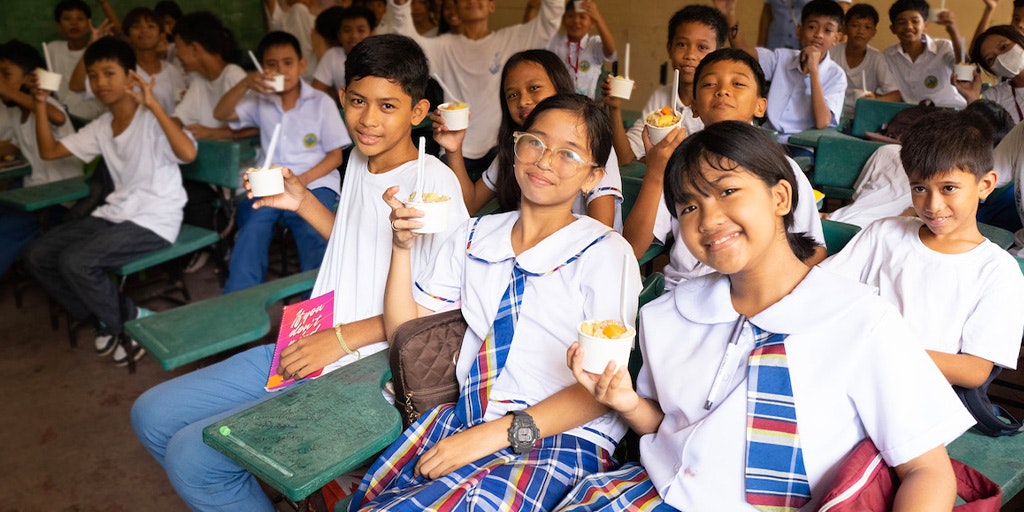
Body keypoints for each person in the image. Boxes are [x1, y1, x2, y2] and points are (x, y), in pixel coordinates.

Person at [556, 120, 975, 511]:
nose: (709, 219)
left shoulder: (860, 320)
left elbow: (927, 471)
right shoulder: (667, 316)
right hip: (654, 495)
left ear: (780, 197)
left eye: (726, 191)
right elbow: (671, 429)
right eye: (687, 207)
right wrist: (625, 402)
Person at [131, 34, 468, 511]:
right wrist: (303, 201)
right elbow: (357, 245)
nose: (368, 119)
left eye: (387, 105)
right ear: (342, 99)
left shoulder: (432, 184)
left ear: (417, 112)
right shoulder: (361, 163)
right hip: (312, 343)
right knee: (151, 414)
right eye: (357, 101)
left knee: (193, 457)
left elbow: (445, 310)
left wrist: (344, 338)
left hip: (371, 369)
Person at [349, 92, 639, 511]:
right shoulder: (474, 236)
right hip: (466, 419)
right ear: (515, 146)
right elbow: (403, 332)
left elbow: (601, 388)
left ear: (593, 177)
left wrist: (493, 435)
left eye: (568, 154)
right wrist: (401, 247)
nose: (544, 160)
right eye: (535, 142)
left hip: (561, 435)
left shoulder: (605, 252)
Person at [824, 109, 1024, 392]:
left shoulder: (997, 271)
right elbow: (825, 288)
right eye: (919, 188)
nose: (932, 205)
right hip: (851, 378)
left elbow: (974, 370)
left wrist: (883, 354)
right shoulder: (884, 233)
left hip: (922, 395)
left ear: (985, 185)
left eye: (949, 188)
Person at [26, 36, 195, 366]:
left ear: (131, 76)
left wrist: (154, 104)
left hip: (155, 217)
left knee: (76, 261)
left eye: (108, 73)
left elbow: (187, 152)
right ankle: (114, 315)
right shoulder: (102, 126)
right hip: (116, 213)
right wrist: (40, 104)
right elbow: (50, 153)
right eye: (93, 75)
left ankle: (122, 322)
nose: (100, 82)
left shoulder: (153, 120)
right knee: (38, 254)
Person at [622, 48, 827, 288]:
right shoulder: (680, 166)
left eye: (738, 83)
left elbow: (814, 251)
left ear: (760, 107)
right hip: (686, 290)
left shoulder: (782, 168)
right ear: (694, 106)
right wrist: (656, 173)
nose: (723, 90)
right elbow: (633, 247)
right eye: (709, 84)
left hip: (758, 290)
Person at [214, 31, 348, 294]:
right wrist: (245, 84)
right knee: (251, 226)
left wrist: (302, 182)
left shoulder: (321, 103)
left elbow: (336, 156)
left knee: (312, 230)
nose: (281, 70)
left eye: (287, 63)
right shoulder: (260, 101)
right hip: (269, 184)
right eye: (271, 65)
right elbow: (221, 113)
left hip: (315, 181)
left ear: (301, 65)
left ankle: (318, 302)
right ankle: (239, 303)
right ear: (262, 69)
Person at [434, 50, 622, 228]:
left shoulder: (587, 147)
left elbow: (600, 228)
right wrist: (454, 149)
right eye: (513, 95)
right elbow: (470, 204)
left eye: (534, 88)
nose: (523, 101)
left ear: (560, 88)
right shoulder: (519, 147)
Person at [384, 0, 565, 180]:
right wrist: (399, 6)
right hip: (456, 144)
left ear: (492, 5)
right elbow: (407, 42)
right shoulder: (443, 47)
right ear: (454, 8)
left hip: (500, 145)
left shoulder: (511, 39)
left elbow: (549, 19)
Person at [603, 5, 726, 166]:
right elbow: (624, 156)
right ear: (669, 48)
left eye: (702, 47)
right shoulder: (661, 97)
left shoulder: (722, 102)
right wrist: (615, 109)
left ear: (717, 54)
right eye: (682, 44)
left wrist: (651, 159)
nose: (690, 55)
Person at [0, 40, 81, 278]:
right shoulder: (17, 111)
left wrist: (8, 91)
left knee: (6, 229)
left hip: (58, 198)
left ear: (29, 78)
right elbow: (14, 146)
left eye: (6, 74)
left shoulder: (47, 106)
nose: (1, 82)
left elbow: (56, 117)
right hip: (33, 190)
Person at [718, 0, 847, 141]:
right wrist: (728, 15)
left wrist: (814, 71)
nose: (819, 34)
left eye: (827, 30)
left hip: (801, 145)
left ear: (837, 38)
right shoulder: (781, 58)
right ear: (799, 30)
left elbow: (823, 122)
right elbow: (742, 52)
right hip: (766, 138)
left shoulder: (836, 76)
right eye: (812, 27)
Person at [70, 7, 188, 115]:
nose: (144, 30)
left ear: (161, 35)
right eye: (136, 26)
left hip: (165, 135)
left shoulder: (173, 72)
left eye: (151, 26)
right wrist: (91, 46)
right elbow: (76, 86)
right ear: (127, 36)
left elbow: (181, 106)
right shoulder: (119, 69)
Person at [882, 0, 967, 109]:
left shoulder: (943, 47)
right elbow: (891, 93)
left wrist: (953, 31)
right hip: (912, 118)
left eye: (915, 21)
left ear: (925, 24)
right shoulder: (888, 56)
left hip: (950, 113)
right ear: (893, 29)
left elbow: (965, 70)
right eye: (902, 22)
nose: (909, 26)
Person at [829, 4, 902, 126]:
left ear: (874, 32)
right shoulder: (832, 52)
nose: (861, 31)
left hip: (862, 118)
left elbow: (895, 95)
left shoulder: (877, 58)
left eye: (867, 27)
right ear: (845, 28)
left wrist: (875, 100)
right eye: (855, 25)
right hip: (832, 115)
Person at [47, 0, 107, 120]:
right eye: (67, 19)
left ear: (89, 23)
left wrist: (91, 46)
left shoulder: (102, 50)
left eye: (80, 19)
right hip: (61, 116)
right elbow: (50, 88)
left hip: (94, 118)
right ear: (59, 26)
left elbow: (78, 86)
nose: (74, 23)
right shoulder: (53, 49)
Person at [545, 0, 616, 99]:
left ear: (592, 23)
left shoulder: (593, 44)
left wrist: (598, 19)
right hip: (558, 103)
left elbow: (611, 52)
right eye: (570, 16)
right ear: (563, 20)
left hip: (585, 107)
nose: (576, 21)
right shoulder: (555, 43)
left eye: (582, 17)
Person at [957, 25, 1024, 125]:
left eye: (1004, 47)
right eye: (991, 59)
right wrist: (972, 97)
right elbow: (980, 134)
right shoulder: (994, 97)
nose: (1000, 58)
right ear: (992, 70)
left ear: (1020, 40)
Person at [311, 6, 377, 95]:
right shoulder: (332, 56)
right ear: (339, 35)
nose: (354, 36)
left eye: (361, 30)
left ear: (372, 33)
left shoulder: (382, 56)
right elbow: (314, 93)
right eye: (347, 30)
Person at [759, 0, 850, 50]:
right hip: (775, 42)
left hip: (812, 44)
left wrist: (839, 55)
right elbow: (767, 14)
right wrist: (761, 47)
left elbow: (842, 21)